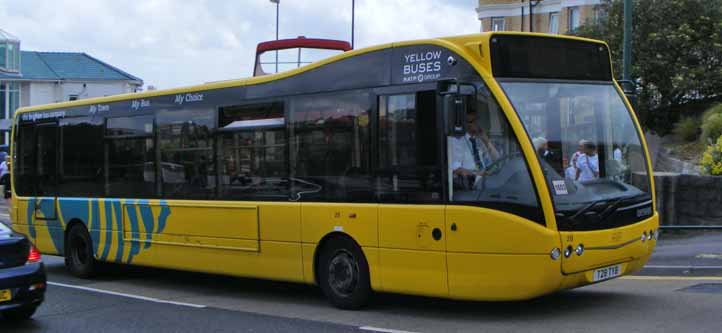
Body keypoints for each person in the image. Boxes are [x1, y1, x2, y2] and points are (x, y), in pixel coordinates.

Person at [449, 112, 499, 189]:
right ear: (465, 124)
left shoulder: (479, 138)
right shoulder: (456, 140)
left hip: (485, 181)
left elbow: (497, 160)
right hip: (469, 183)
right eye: (472, 121)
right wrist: (477, 174)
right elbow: (456, 168)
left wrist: (487, 142)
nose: (476, 124)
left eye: (477, 121)